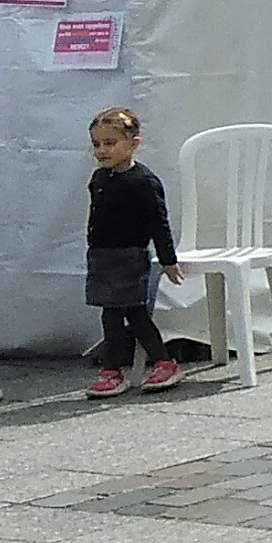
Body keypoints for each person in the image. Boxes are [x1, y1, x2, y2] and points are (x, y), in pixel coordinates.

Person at [82, 108, 186, 398]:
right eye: (97, 144)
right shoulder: (99, 179)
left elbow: (158, 222)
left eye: (110, 143)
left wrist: (168, 259)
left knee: (130, 313)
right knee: (112, 313)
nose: (102, 150)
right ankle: (117, 368)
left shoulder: (143, 183)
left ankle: (150, 363)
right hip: (102, 256)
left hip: (128, 257)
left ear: (133, 144)